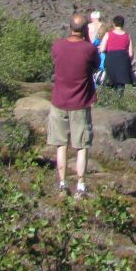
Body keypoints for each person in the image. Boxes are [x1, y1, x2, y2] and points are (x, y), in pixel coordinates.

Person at [49, 11, 99, 197]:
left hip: (58, 101)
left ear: (69, 28)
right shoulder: (89, 49)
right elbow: (95, 66)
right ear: (85, 29)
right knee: (82, 146)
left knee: (60, 145)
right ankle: (80, 185)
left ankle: (62, 184)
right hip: (80, 103)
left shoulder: (58, 46)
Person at [98, 16, 135, 92]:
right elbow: (131, 54)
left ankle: (108, 100)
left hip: (111, 60)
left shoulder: (108, 34)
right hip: (123, 61)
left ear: (114, 24)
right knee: (120, 85)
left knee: (109, 83)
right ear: (123, 24)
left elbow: (102, 49)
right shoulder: (127, 36)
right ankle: (119, 101)